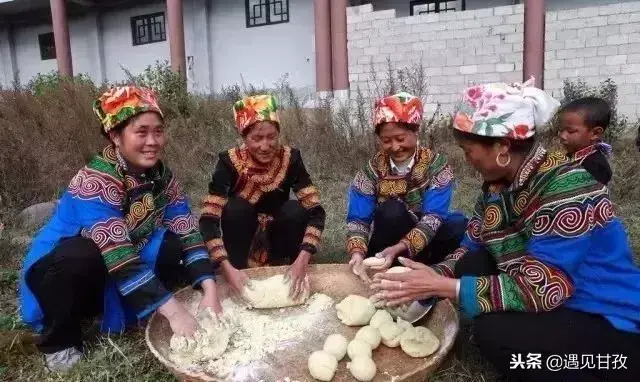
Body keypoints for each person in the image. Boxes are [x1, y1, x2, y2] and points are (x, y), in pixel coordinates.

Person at [371, 79, 640, 381]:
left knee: (496, 334)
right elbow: (470, 243)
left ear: (502, 147)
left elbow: (545, 289)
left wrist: (442, 288)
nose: (466, 159)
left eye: (468, 150)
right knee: (470, 264)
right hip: (544, 287)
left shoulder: (566, 187)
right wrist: (433, 275)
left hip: (599, 307)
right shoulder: (498, 186)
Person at [19, 86, 222, 372]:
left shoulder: (161, 176)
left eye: (158, 131)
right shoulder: (95, 181)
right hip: (66, 269)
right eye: (141, 132)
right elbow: (117, 254)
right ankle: (61, 340)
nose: (153, 141)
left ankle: (122, 304)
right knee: (81, 254)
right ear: (115, 135)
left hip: (119, 258)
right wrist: (174, 313)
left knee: (173, 244)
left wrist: (210, 290)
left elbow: (188, 230)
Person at [199, 94, 326, 299]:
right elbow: (208, 218)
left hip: (278, 235)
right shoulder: (229, 162)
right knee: (235, 208)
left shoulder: (290, 158)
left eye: (271, 137)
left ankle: (293, 268)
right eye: (256, 138)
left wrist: (304, 256)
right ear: (243, 137)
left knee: (294, 209)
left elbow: (316, 211)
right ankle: (238, 270)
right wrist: (224, 264)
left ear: (278, 133)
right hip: (242, 238)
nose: (265, 146)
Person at [346, 92, 467, 283]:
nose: (395, 147)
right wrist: (357, 252)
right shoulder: (371, 169)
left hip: (426, 237)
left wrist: (402, 246)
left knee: (459, 225)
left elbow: (433, 218)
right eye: (386, 141)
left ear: (415, 131)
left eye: (400, 138)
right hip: (389, 236)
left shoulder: (437, 165)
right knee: (391, 210)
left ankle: (432, 267)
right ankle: (388, 265)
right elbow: (358, 219)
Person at [559, 97, 613, 184]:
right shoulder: (570, 157)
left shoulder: (597, 167)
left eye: (570, 131)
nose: (562, 136)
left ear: (595, 133)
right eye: (561, 130)